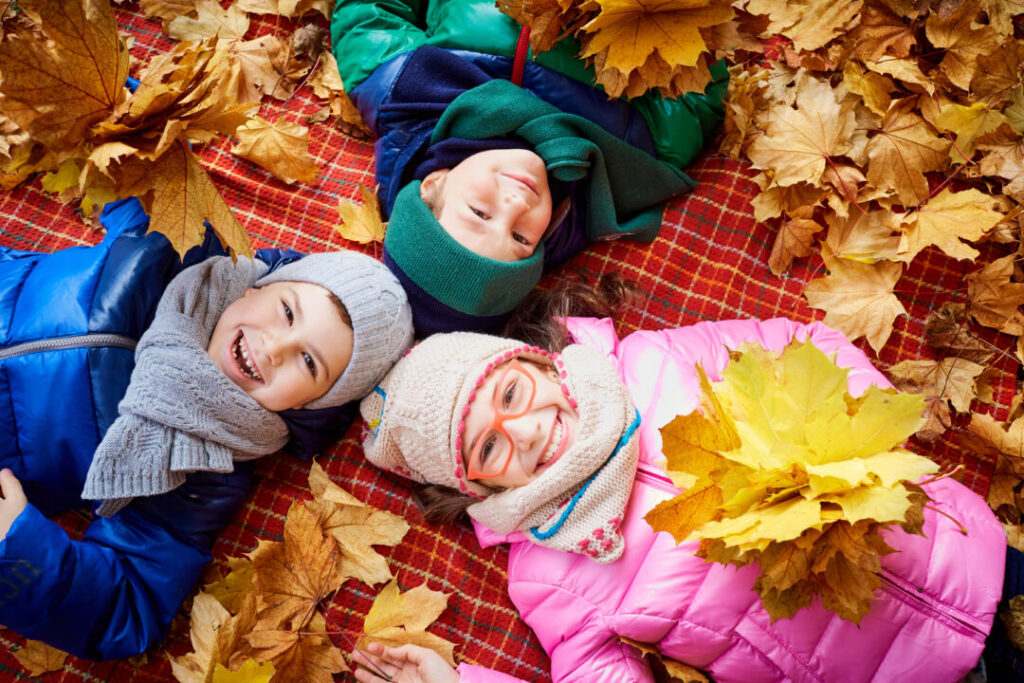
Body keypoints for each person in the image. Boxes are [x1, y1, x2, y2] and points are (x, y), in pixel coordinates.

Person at [355, 304, 1019, 682]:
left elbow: (802, 344)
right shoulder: (549, 573)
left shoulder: (655, 361)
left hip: (967, 549)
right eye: (489, 447)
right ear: (476, 487)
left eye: (510, 394)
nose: (526, 432)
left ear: (533, 360)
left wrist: (859, 437)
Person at [0, 197, 414, 660]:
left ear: (306, 404)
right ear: (254, 288)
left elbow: (130, 600)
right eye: (288, 312)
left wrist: (19, 551)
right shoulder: (181, 247)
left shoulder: (203, 470)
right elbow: (134, 174)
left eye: (309, 361)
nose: (275, 347)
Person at [330, 0, 728, 335]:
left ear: (434, 183)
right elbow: (698, 88)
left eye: (480, 213)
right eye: (521, 239)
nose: (517, 204)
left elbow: (369, 11)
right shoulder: (627, 155)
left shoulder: (396, 87)